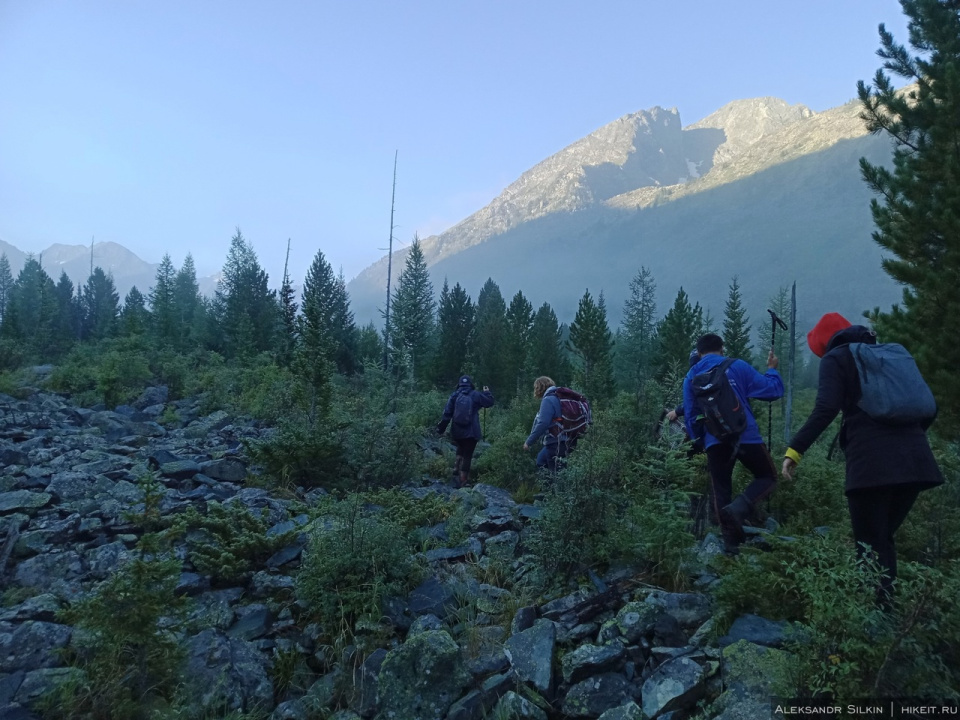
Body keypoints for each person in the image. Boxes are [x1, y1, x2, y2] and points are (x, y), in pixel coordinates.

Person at [782, 313, 942, 602]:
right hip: (917, 463)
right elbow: (929, 407)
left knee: (869, 544)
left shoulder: (836, 358)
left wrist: (795, 450)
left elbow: (825, 409)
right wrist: (911, 441)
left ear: (824, 344)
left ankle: (871, 620)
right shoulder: (889, 356)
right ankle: (885, 613)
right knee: (883, 539)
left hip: (872, 465)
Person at [683, 333, 784, 554]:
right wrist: (772, 368)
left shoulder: (691, 375)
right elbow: (772, 390)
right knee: (767, 477)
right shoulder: (737, 366)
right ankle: (739, 507)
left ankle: (731, 548)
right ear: (722, 348)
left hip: (714, 440)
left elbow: (691, 415)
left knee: (721, 490)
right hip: (745, 435)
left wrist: (701, 441)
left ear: (699, 353)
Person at [436, 375, 495, 488]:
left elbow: (447, 414)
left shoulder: (454, 395)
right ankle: (463, 479)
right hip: (472, 430)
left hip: (457, 430)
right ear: (470, 384)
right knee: (468, 454)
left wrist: (441, 428)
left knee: (460, 446)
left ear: (459, 384)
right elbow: (489, 403)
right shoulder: (475, 394)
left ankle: (456, 466)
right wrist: (487, 393)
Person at [523, 376, 571, 473]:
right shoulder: (558, 396)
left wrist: (529, 442)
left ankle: (553, 488)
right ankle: (549, 487)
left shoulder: (548, 399)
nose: (535, 390)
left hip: (555, 442)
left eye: (535, 387)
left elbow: (543, 423)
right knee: (541, 461)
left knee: (556, 473)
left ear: (540, 387)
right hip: (565, 440)